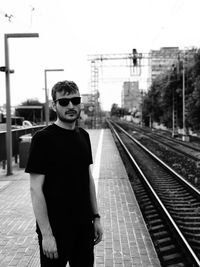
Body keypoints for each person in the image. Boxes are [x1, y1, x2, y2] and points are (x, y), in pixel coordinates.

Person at [25, 80, 103, 267]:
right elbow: (36, 190)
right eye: (64, 102)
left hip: (84, 228)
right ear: (54, 105)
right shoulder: (42, 139)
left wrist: (96, 217)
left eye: (75, 101)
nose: (71, 106)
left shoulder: (83, 136)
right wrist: (47, 235)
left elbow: (88, 179)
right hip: (56, 231)